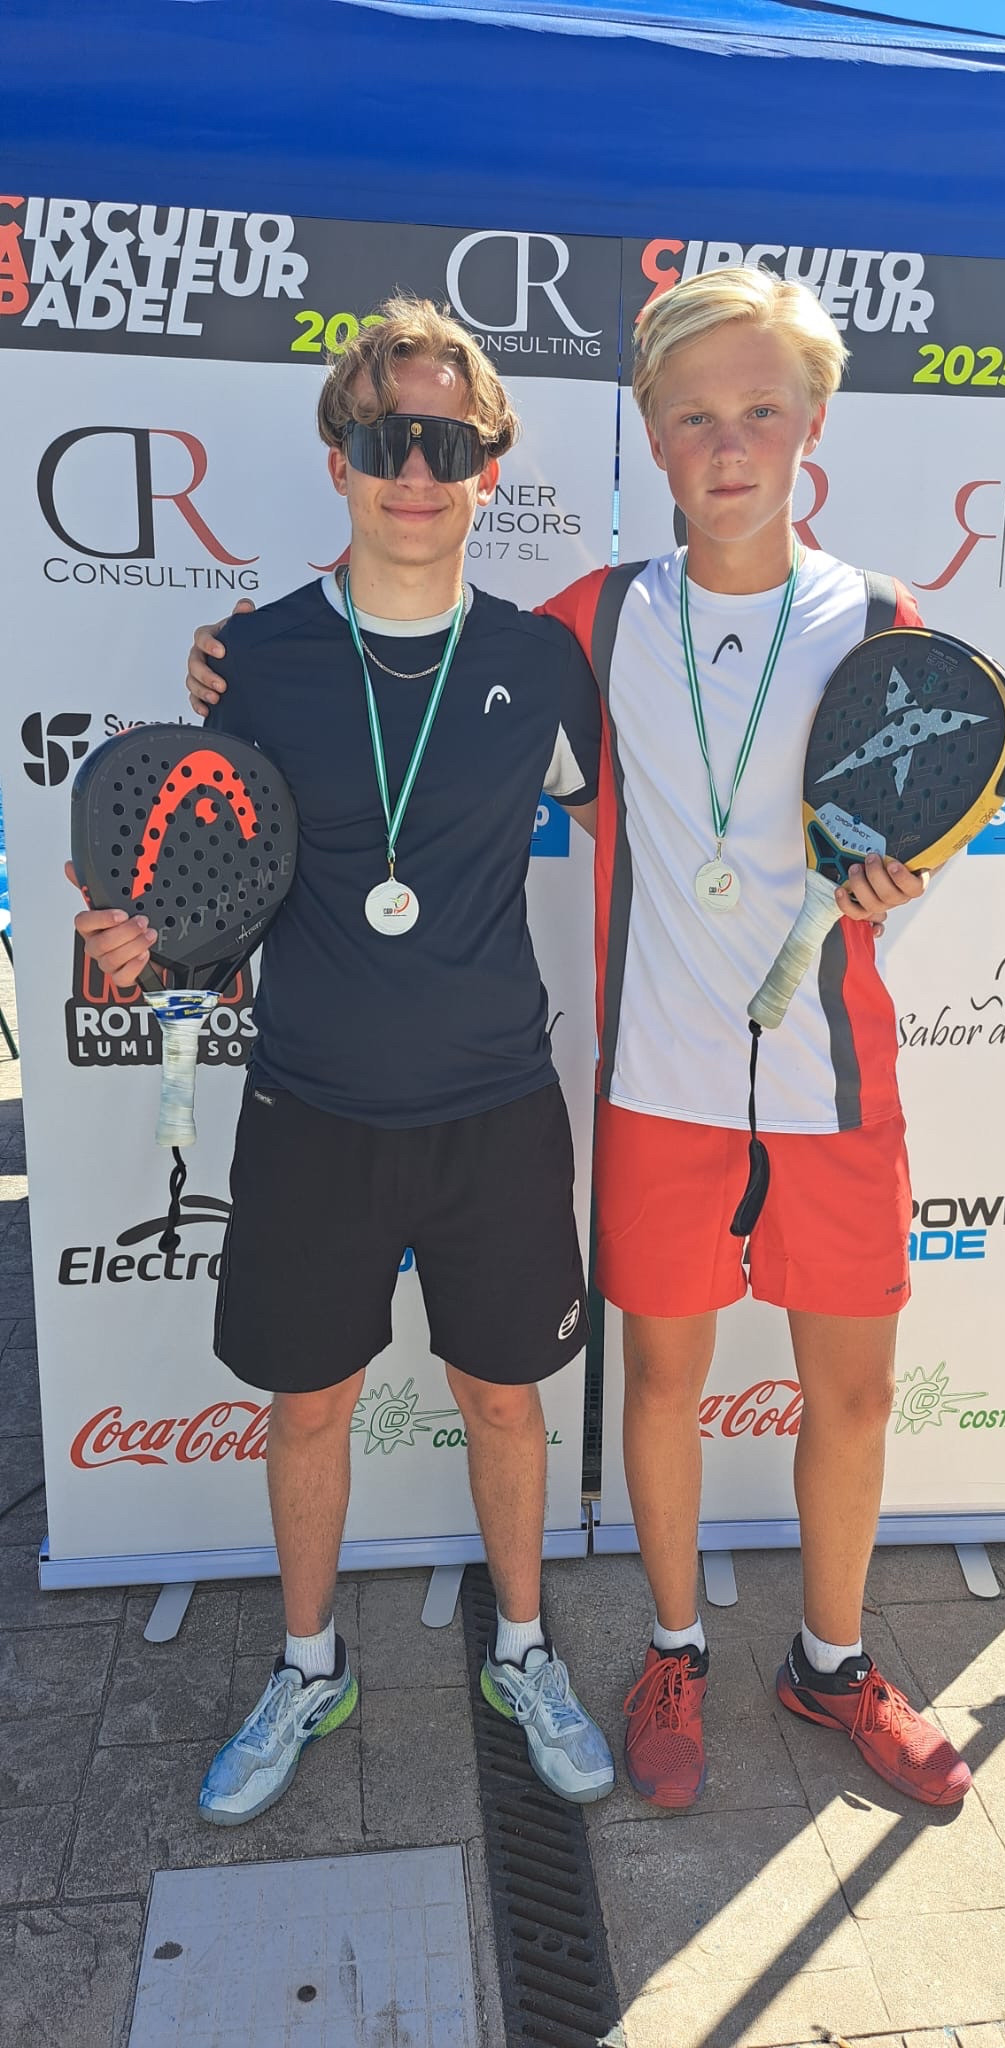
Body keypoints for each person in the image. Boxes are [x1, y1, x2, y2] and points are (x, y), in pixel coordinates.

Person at [185, 268, 972, 1813]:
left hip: (832, 1083)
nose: (727, 445)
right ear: (651, 437)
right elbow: (390, 617)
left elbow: (934, 800)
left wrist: (910, 873)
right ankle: (670, 1651)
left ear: (812, 423)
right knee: (657, 1388)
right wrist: (234, 659)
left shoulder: (878, 620)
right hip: (656, 1086)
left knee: (856, 1398)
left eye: (759, 412)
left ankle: (831, 1663)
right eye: (693, 418)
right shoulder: (590, 624)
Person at [72, 295, 615, 1824]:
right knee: (307, 1406)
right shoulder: (249, 661)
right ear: (338, 461)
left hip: (495, 1110)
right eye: (383, 441)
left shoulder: (542, 664)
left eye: (444, 440)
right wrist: (152, 949)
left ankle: (523, 1651)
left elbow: (653, 827)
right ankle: (308, 1666)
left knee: (503, 1401)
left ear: (487, 463)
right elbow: (212, 890)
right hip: (310, 1107)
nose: (414, 470)